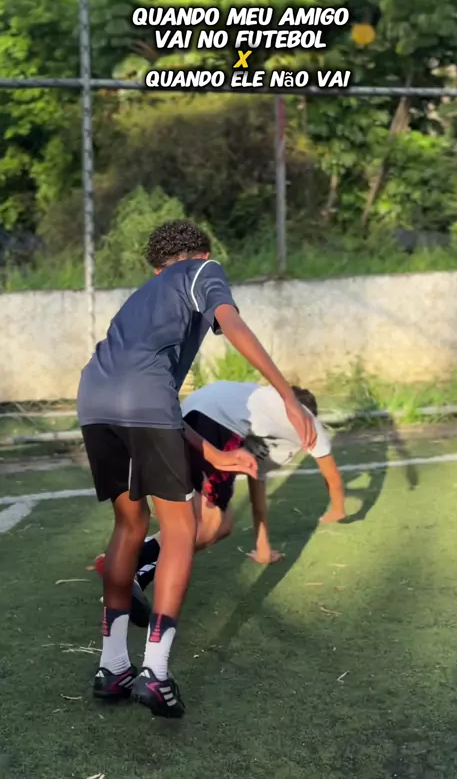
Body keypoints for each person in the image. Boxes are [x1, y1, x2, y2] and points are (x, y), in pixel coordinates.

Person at [77, 219, 316, 719]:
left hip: (94, 400)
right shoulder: (203, 270)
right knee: (181, 529)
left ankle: (112, 666)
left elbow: (148, 394)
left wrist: (214, 454)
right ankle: (155, 673)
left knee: (128, 524)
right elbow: (232, 324)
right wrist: (288, 396)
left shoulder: (142, 296)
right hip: (143, 401)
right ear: (200, 254)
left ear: (156, 267)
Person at [94, 381, 346, 625]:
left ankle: (131, 570)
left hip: (187, 419)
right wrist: (338, 510)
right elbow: (332, 478)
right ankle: (127, 565)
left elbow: (256, 481)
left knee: (221, 526)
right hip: (214, 423)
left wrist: (263, 547)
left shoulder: (263, 413)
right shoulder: (307, 421)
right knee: (207, 526)